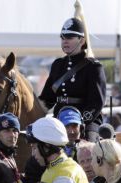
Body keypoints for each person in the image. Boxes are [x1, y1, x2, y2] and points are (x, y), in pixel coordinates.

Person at [38, 11, 106, 142]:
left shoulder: (93, 67)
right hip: (59, 119)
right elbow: (47, 99)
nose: (65, 41)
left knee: (89, 150)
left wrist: (79, 121)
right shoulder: (58, 64)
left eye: (69, 38)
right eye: (62, 38)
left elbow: (97, 102)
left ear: (82, 40)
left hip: (85, 121)